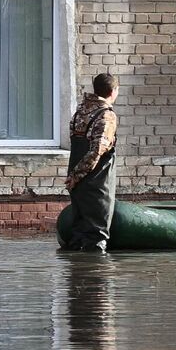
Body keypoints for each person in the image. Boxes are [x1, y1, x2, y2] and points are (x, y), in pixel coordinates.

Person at [62, 73, 120, 254]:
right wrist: (78, 175)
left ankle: (75, 275)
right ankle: (94, 276)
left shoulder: (81, 111)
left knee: (78, 231)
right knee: (96, 236)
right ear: (113, 91)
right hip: (97, 183)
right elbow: (96, 151)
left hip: (77, 182)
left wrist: (74, 177)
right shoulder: (106, 115)